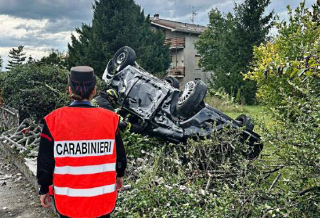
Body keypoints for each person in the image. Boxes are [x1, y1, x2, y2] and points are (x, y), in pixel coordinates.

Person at [37, 66, 127, 218]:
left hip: (68, 203)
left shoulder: (53, 120)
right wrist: (120, 174)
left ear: (70, 90)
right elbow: (119, 154)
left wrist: (44, 188)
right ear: (94, 91)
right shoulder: (110, 119)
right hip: (102, 201)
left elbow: (45, 161)